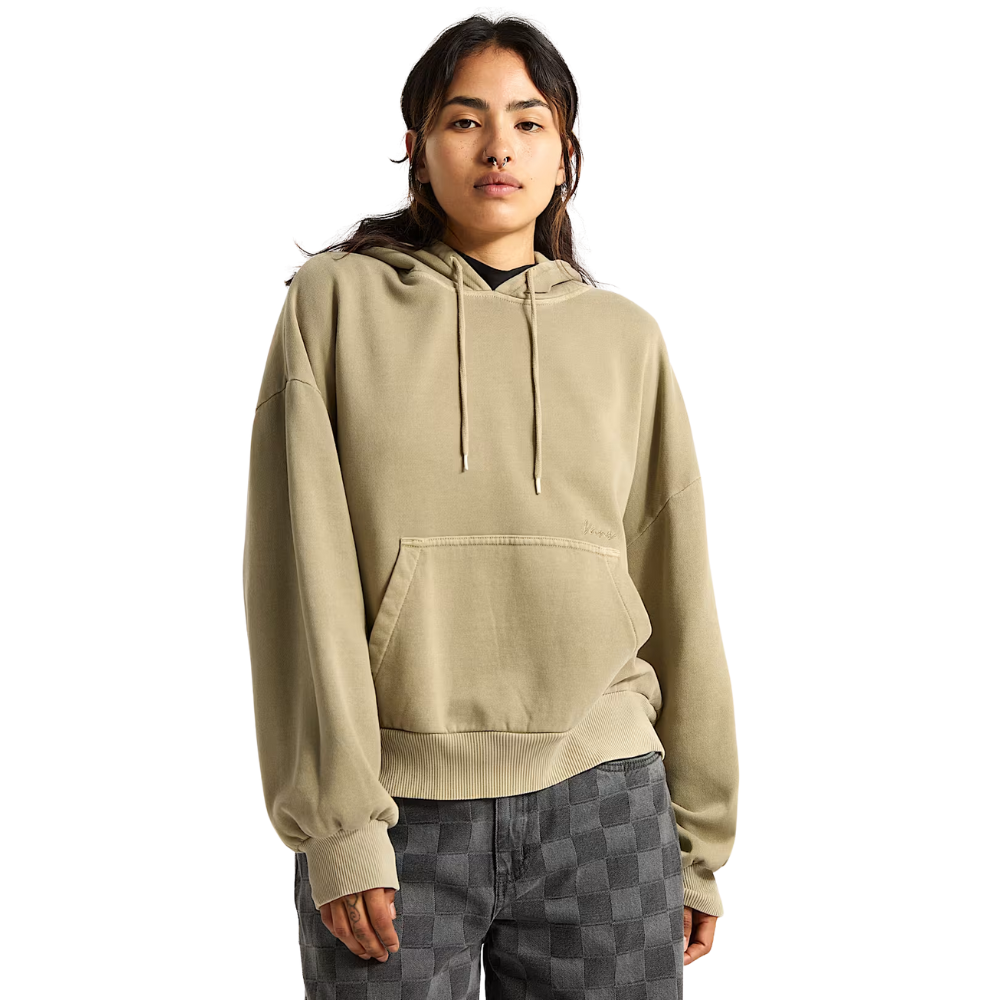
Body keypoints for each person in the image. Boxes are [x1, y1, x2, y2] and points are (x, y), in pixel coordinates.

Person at [244, 9, 739, 998]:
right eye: (464, 120)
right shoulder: (333, 305)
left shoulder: (627, 339)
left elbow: (678, 583)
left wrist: (698, 843)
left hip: (607, 803)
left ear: (566, 153)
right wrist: (338, 824)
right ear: (418, 147)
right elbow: (299, 575)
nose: (498, 147)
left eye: (527, 120)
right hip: (399, 813)